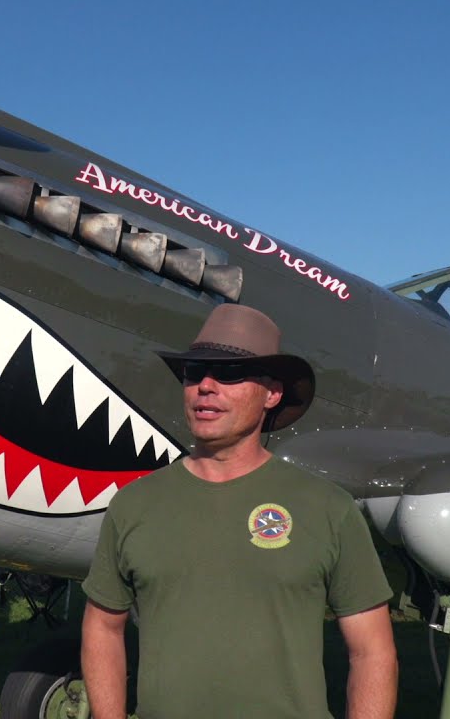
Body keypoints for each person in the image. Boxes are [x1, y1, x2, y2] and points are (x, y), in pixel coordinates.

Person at [81, 304, 397, 719]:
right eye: (195, 372)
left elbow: (372, 652)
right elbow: (103, 628)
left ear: (272, 393)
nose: (205, 386)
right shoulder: (134, 504)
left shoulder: (328, 508)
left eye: (229, 373)